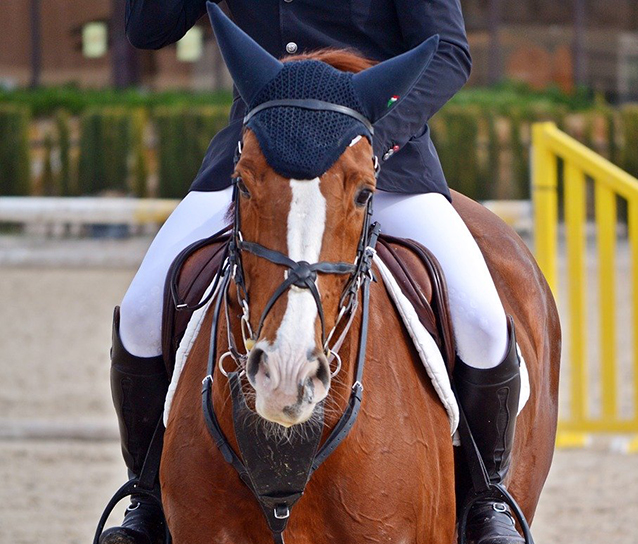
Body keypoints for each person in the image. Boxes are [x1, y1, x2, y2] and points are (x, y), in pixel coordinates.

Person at [102, 2, 526, 544]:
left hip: (369, 157)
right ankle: (147, 502)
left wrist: (370, 139)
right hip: (265, 158)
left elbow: (449, 51)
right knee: (140, 312)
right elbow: (147, 29)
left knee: (483, 322)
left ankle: (486, 502)